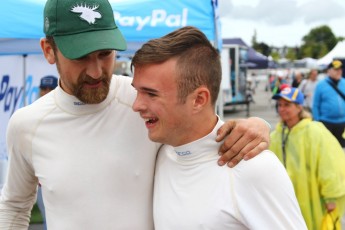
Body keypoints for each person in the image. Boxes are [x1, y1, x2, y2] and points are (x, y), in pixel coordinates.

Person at [0, 0, 271, 229]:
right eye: (80, 56)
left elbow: (204, 132)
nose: (96, 71)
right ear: (49, 50)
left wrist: (257, 125)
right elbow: (14, 206)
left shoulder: (140, 102)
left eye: (105, 54)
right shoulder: (27, 125)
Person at [131, 26, 307, 229]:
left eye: (151, 94)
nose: (136, 105)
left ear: (198, 100)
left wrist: (261, 124)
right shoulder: (162, 152)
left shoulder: (253, 167)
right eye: (136, 91)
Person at [269, 87, 345, 230]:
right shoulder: (276, 135)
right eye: (279, 105)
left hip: (313, 196)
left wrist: (330, 197)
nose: (282, 109)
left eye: (287, 105)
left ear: (299, 107)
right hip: (288, 198)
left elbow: (329, 165)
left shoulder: (315, 132)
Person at [37, 75, 59, 230]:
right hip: (41, 182)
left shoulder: (64, 115)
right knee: (48, 222)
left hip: (61, 180)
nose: (46, 92)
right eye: (43, 89)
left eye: (50, 88)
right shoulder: (32, 115)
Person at [312, 60, 345, 147]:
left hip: (343, 123)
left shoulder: (344, 82)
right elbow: (315, 105)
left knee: (341, 149)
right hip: (326, 122)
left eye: (340, 69)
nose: (339, 72)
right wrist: (317, 122)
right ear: (329, 71)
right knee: (327, 147)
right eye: (336, 69)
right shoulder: (321, 85)